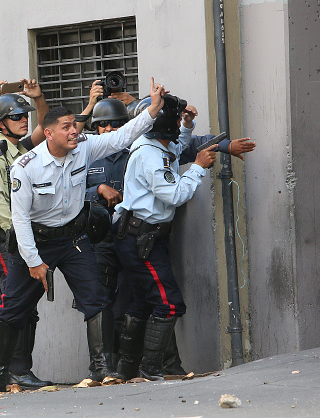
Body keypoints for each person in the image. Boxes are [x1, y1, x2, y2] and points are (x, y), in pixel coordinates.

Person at [0, 78, 166, 392]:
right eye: (66, 127)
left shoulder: (86, 147)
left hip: (73, 240)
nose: (74, 131)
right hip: (35, 242)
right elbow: (20, 221)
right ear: (49, 133)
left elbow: (123, 137)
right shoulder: (26, 167)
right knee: (13, 308)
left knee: (97, 300)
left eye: (75, 126)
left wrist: (154, 110)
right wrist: (35, 262)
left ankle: (102, 368)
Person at [112, 93, 217, 381]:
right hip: (140, 238)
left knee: (143, 302)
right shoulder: (149, 154)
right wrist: (197, 167)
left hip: (142, 236)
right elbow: (175, 194)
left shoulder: (154, 143)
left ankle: (125, 369)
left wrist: (186, 126)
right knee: (168, 304)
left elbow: (173, 150)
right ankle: (150, 369)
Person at [0, 80, 51, 389]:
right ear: (0, 123)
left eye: (24, 115)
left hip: (21, 240)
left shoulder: (20, 151)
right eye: (17, 116)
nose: (24, 120)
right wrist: (19, 237)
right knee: (15, 302)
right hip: (6, 240)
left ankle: (17, 369)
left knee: (23, 303)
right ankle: (14, 370)